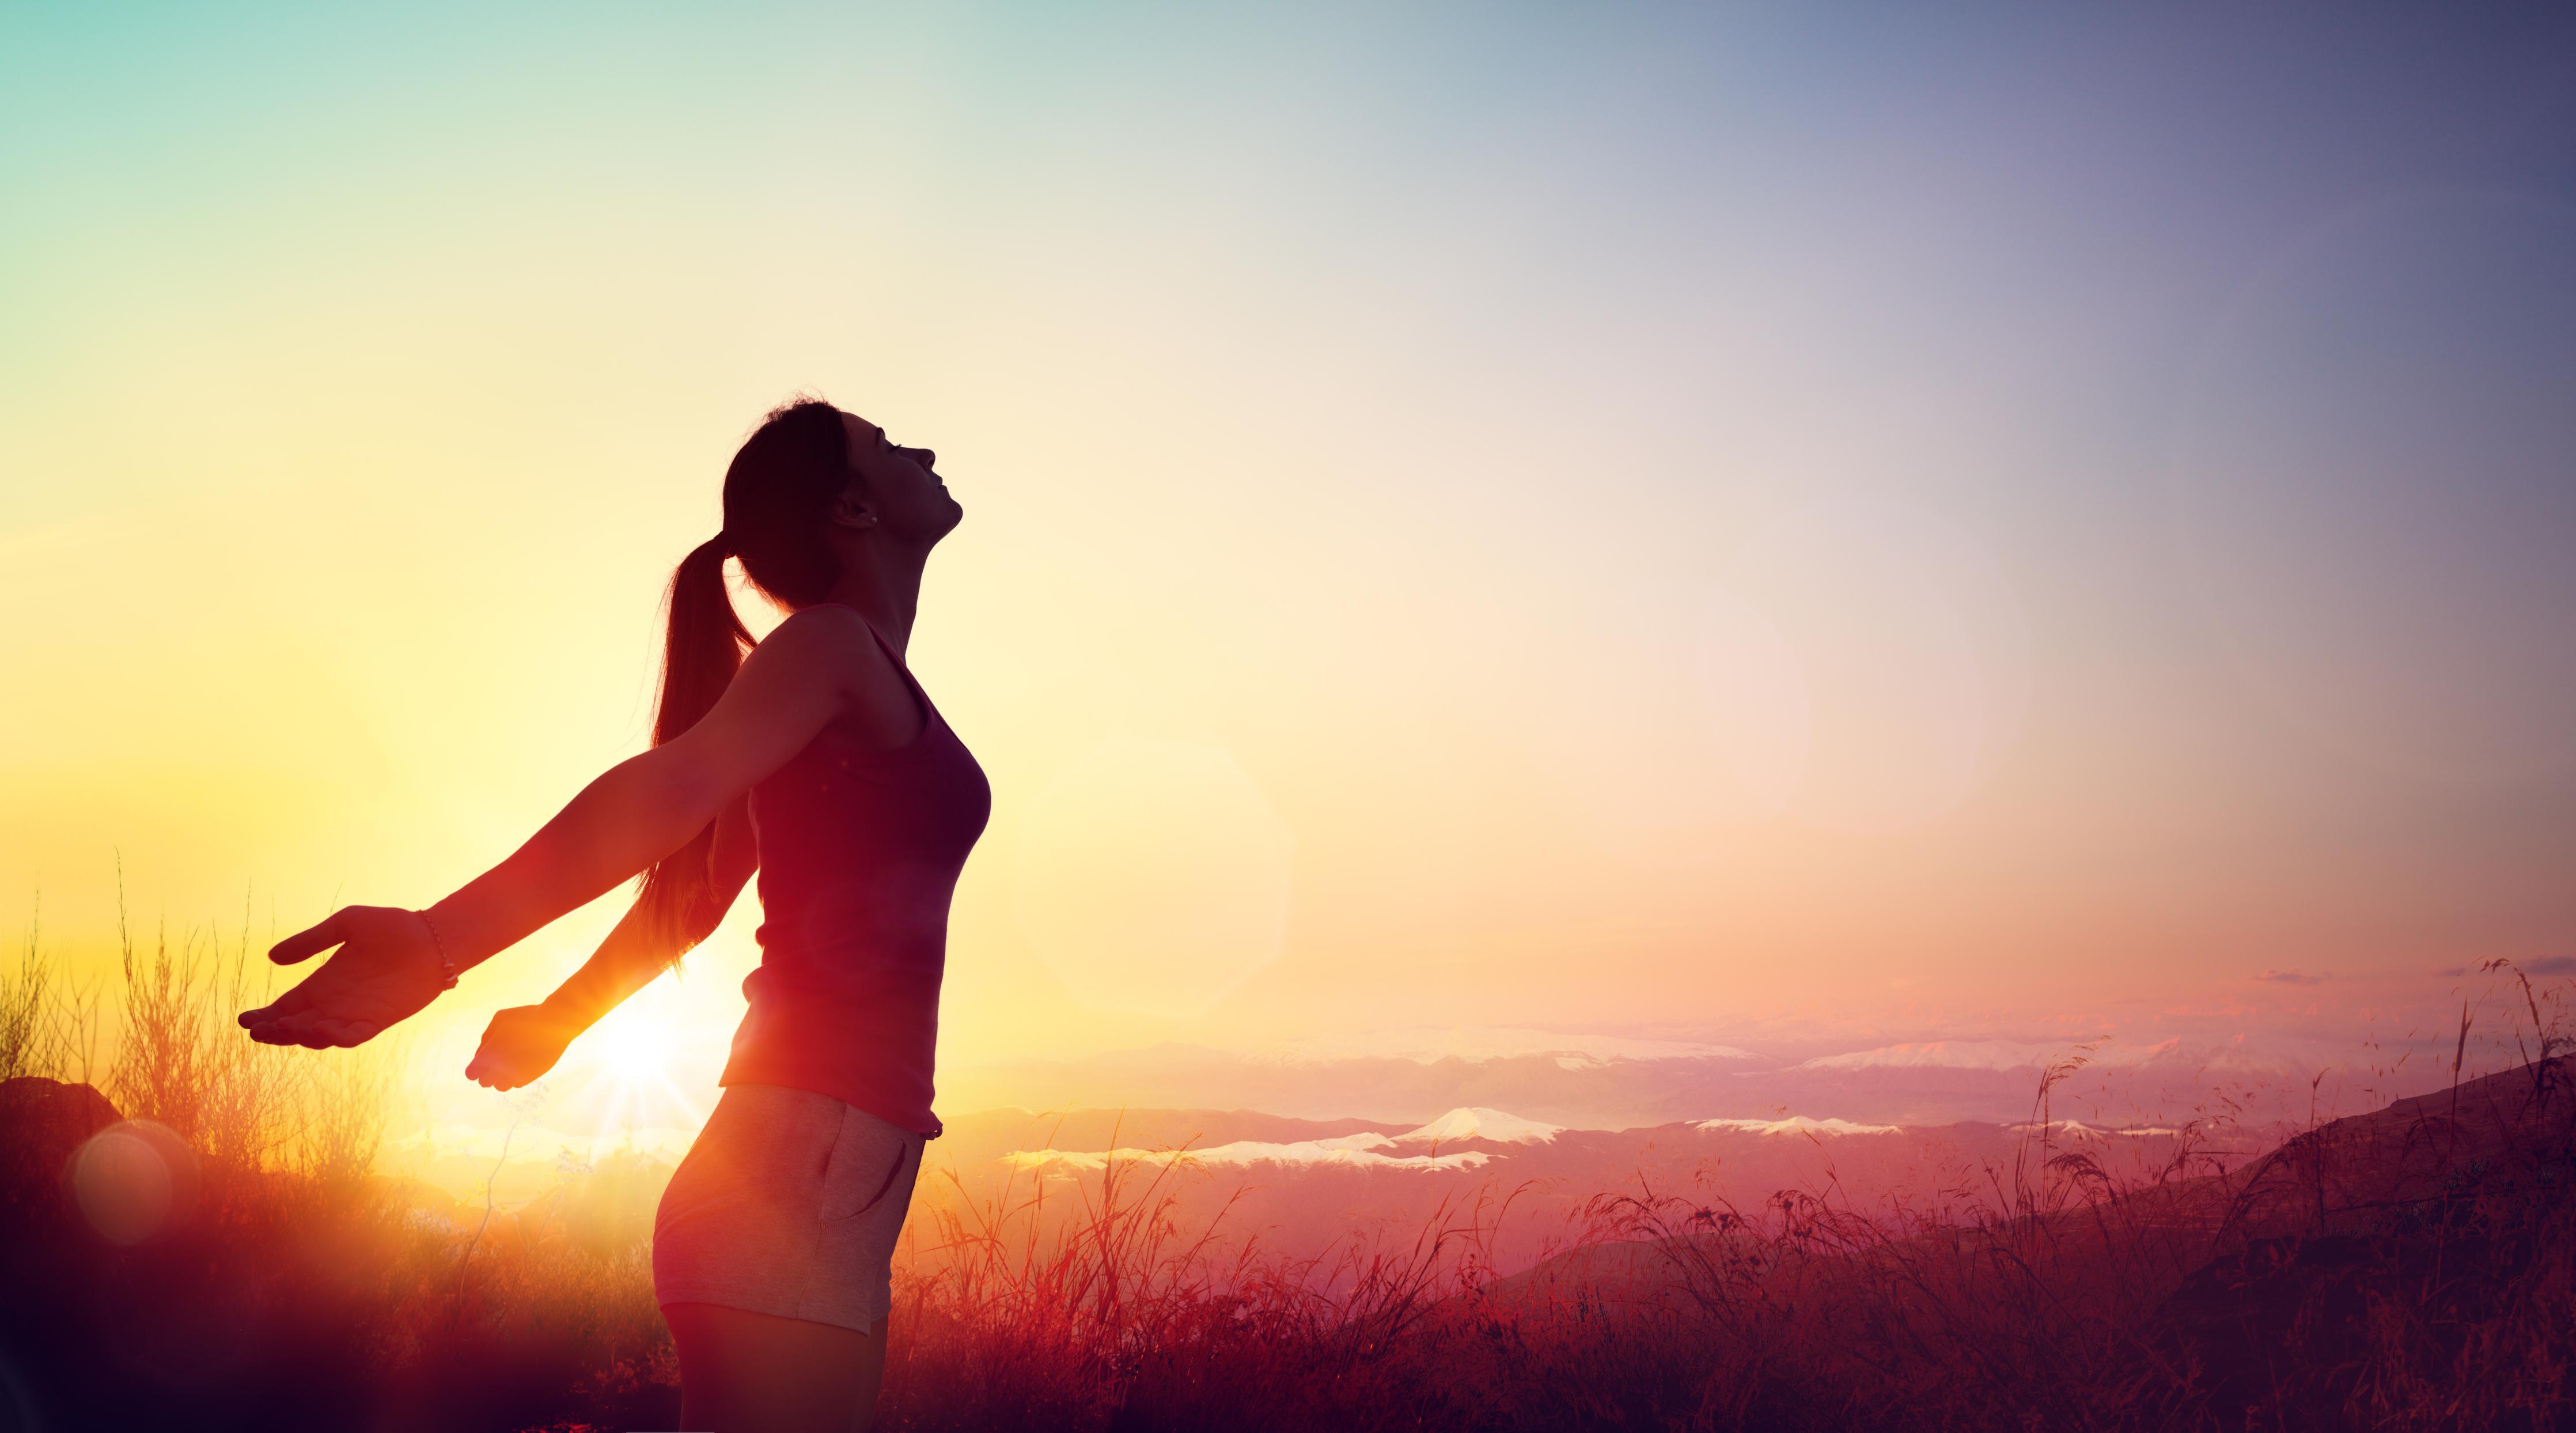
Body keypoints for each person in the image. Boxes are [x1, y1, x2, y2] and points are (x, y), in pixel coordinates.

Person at [237, 397, 988, 1432]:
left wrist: (561, 1016)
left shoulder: (843, 678)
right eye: (888, 444)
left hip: (834, 1202)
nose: (925, 449)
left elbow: (690, 902)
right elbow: (668, 792)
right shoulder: (826, 651)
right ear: (854, 507)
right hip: (792, 1182)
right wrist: (439, 940)